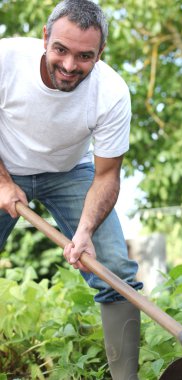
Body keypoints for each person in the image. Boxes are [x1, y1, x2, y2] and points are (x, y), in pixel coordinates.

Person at [0, 0, 143, 378]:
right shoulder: (6, 59)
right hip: (4, 163)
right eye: (60, 49)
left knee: (114, 269)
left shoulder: (111, 92)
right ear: (45, 37)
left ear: (100, 54)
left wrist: (84, 231)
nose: (68, 65)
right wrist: (2, 182)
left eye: (84, 56)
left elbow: (107, 175)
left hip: (69, 170)